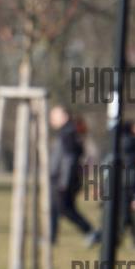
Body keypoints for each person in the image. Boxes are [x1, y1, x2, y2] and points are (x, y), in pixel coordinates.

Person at [49, 106, 99, 247]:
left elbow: (69, 160)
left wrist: (64, 182)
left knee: (65, 208)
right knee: (55, 207)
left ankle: (90, 231)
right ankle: (51, 238)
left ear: (64, 117)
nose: (51, 119)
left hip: (65, 179)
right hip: (64, 178)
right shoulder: (68, 132)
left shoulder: (68, 133)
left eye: (54, 116)